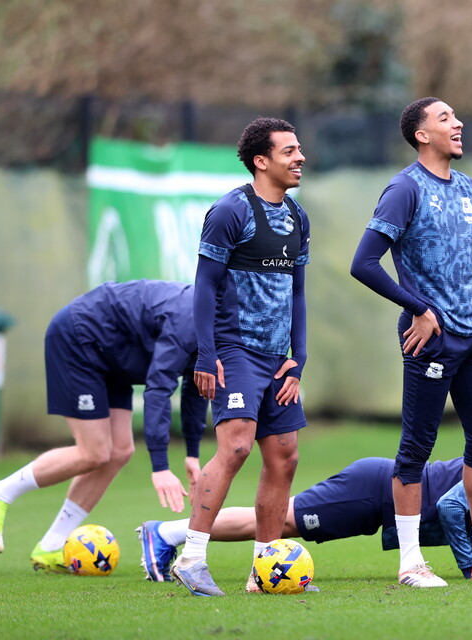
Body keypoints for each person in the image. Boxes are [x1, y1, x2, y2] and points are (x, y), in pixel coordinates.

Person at [350, 97, 472, 587]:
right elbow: (364, 263)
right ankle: (410, 563)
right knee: (416, 446)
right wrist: (419, 308)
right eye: (445, 119)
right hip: (431, 341)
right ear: (421, 135)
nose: (458, 124)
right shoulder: (403, 189)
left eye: (456, 117)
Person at [0, 280, 207, 573]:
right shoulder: (191, 322)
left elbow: (197, 386)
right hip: (80, 337)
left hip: (115, 356)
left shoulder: (221, 330)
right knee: (93, 451)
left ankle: (50, 548)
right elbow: (158, 389)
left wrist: (192, 455)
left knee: (119, 451)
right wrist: (160, 467)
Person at [171, 117, 310, 598]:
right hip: (235, 351)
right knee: (234, 447)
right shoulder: (232, 211)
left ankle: (265, 569)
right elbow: (204, 288)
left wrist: (300, 357)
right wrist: (207, 355)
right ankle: (190, 557)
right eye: (289, 151)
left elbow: (298, 292)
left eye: (299, 149)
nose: (300, 158)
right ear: (261, 160)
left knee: (285, 457)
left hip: (278, 359)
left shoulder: (297, 217)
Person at [138, 450, 472, 583]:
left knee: (282, 521)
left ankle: (169, 534)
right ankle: (167, 532)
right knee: (283, 520)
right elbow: (453, 506)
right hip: (374, 491)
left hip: (382, 501)